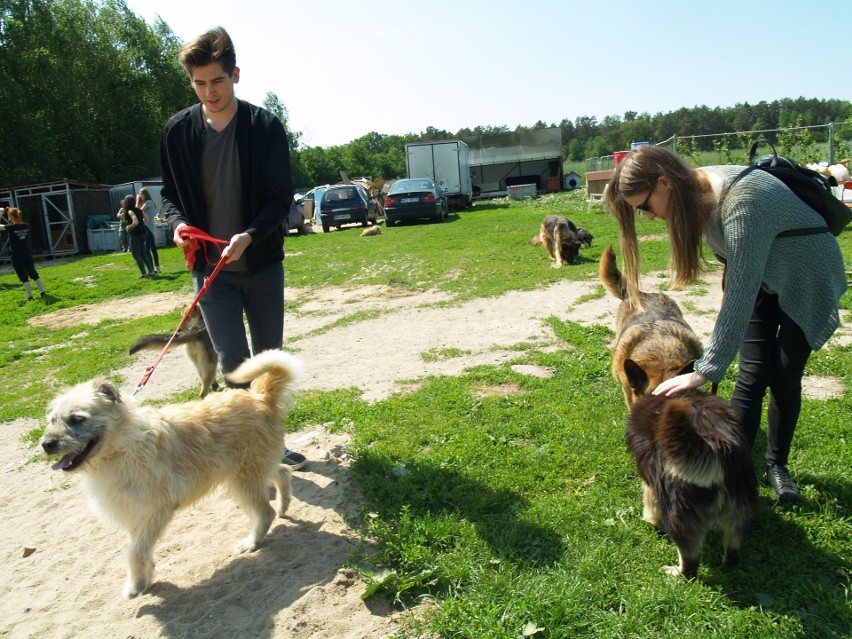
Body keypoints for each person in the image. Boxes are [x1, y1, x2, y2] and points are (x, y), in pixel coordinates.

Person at [604, 145, 847, 504]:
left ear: (665, 183)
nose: (649, 217)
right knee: (751, 374)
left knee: (783, 374)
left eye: (645, 207)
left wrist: (706, 369)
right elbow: (742, 274)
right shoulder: (693, 193)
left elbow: (741, 291)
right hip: (763, 276)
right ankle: (737, 478)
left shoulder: (742, 202)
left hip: (807, 278)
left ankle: (777, 466)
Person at [159, 26, 306, 471]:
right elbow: (168, 196)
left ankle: (273, 444)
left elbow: (281, 199)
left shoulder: (264, 127)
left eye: (217, 81)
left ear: (235, 75)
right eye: (199, 83)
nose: (209, 92)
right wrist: (177, 223)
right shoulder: (177, 132)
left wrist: (251, 236)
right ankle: (246, 452)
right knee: (234, 366)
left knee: (265, 367)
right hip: (212, 270)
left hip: (261, 264)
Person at [0, 207, 46, 300]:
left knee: (23, 276)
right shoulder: (25, 226)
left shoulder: (11, 228)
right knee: (33, 273)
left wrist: (0, 214)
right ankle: (42, 292)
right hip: (26, 253)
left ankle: (30, 296)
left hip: (17, 255)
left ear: (11, 217)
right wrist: (10, 210)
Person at [121, 195, 156, 278]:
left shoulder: (130, 211)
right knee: (143, 253)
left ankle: (144, 273)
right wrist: (141, 224)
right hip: (143, 233)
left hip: (135, 234)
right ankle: (151, 271)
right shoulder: (139, 210)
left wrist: (129, 227)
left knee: (136, 254)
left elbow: (135, 222)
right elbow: (146, 219)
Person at [137, 188, 161, 274]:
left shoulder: (148, 202)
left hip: (149, 228)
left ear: (145, 194)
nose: (140, 196)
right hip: (149, 227)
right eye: (139, 194)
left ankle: (152, 269)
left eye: (141, 194)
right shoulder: (147, 203)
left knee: (147, 249)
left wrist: (136, 201)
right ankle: (156, 268)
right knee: (153, 248)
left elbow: (138, 211)